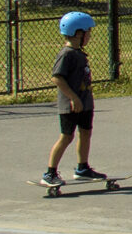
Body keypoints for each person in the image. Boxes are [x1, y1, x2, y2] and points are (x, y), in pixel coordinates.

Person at [40, 12, 105, 185]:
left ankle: (82, 168)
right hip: (70, 105)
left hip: (84, 104)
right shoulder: (66, 54)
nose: (90, 36)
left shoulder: (79, 53)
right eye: (88, 32)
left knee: (85, 133)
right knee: (66, 137)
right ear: (78, 33)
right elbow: (57, 78)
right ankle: (50, 173)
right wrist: (74, 98)